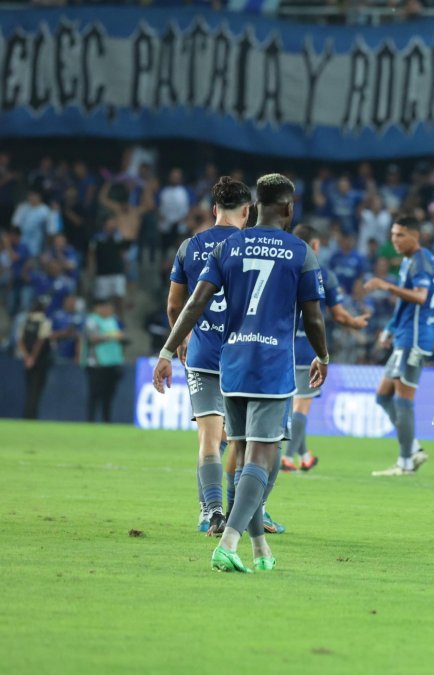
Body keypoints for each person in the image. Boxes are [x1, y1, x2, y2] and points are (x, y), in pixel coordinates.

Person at [153, 173, 329, 574]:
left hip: (229, 362)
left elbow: (194, 303)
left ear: (256, 208)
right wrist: (323, 355)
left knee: (239, 451)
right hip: (270, 364)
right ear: (288, 208)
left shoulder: (229, 246)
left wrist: (166, 349)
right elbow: (314, 317)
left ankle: (260, 545)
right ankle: (228, 542)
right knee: (262, 458)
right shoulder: (299, 251)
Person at [166, 176, 252, 535]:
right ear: (247, 211)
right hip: (244, 355)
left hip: (201, 354)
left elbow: (175, 305)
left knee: (209, 439)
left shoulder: (190, 246)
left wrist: (180, 339)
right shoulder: (251, 246)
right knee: (243, 441)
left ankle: (210, 511)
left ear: (214, 209)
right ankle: (241, 513)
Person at [281, 224, 370, 473]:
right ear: (316, 245)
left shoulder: (281, 267)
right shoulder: (324, 274)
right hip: (309, 350)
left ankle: (305, 455)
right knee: (301, 407)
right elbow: (340, 315)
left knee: (290, 406)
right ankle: (287, 458)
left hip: (280, 348)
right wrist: (356, 322)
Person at [365, 219, 434, 477]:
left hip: (415, 340)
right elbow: (406, 303)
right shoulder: (408, 261)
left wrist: (386, 285)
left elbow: (420, 297)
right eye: (393, 235)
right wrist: (391, 327)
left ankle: (406, 462)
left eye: (400, 235)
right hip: (404, 335)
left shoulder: (421, 260)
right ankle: (414, 448)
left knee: (403, 399)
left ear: (415, 235)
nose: (394, 240)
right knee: (382, 395)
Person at [83, 297, 125, 422]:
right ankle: (90, 421)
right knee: (94, 394)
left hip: (112, 362)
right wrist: (111, 336)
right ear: (98, 308)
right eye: (106, 307)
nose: (109, 310)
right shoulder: (92, 320)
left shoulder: (113, 320)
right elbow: (92, 339)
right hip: (96, 363)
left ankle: (106, 421)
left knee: (108, 395)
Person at [17, 297, 54, 419]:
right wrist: (32, 357)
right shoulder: (44, 322)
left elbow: (20, 341)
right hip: (40, 361)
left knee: (29, 389)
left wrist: (26, 357)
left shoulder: (25, 321)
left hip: (27, 360)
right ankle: (31, 416)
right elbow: (40, 341)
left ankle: (27, 415)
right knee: (36, 390)